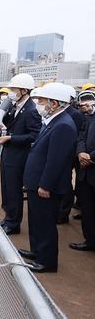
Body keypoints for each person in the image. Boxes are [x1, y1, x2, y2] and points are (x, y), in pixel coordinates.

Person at [17, 83, 77, 272]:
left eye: (42, 101)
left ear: (55, 103)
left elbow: (56, 161)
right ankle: (38, 251)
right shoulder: (52, 121)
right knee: (36, 220)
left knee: (45, 224)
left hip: (45, 185)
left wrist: (46, 185)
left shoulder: (63, 126)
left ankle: (47, 261)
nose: (39, 104)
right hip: (36, 182)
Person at [0, 74, 41, 235]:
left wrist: (11, 138)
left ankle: (14, 223)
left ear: (24, 90)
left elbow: (34, 135)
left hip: (19, 156)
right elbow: (10, 124)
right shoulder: (16, 106)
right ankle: (8, 217)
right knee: (6, 188)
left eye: (14, 89)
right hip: (9, 154)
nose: (11, 93)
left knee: (14, 190)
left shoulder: (31, 110)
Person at [71, 90, 95, 252]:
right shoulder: (89, 118)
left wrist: (90, 157)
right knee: (88, 208)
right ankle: (90, 240)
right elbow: (81, 136)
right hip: (86, 171)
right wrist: (81, 153)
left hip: (91, 164)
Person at [57, 85, 85, 224]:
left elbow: (77, 136)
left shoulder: (75, 114)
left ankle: (63, 213)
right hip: (62, 153)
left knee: (66, 184)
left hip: (69, 155)